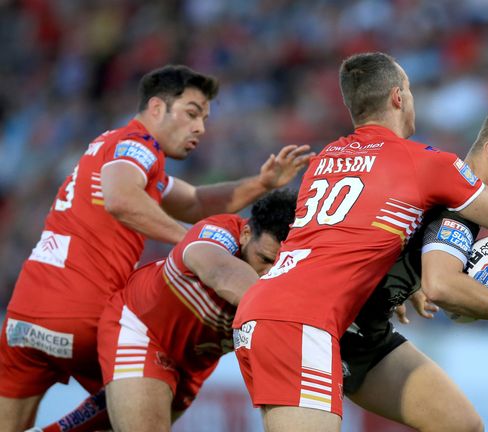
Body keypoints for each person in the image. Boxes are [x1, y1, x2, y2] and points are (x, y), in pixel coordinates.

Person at [232, 51, 488, 432]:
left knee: (460, 424)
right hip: (302, 320)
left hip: (346, 322)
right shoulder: (428, 165)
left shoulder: (328, 158)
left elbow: (345, 235)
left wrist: (399, 278)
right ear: (398, 97)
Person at [0, 64, 311, 431]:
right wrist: (192, 243)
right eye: (192, 113)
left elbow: (195, 201)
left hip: (25, 314)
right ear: (156, 108)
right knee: (162, 378)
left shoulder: (113, 148)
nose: (200, 128)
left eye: (205, 119)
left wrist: (259, 183)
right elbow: (120, 198)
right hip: (83, 313)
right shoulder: (139, 145)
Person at [341, 99, 488, 432]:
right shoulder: (459, 201)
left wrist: (401, 283)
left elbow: (385, 232)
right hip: (330, 325)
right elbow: (442, 286)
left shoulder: (437, 183)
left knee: (461, 425)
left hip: (366, 332)